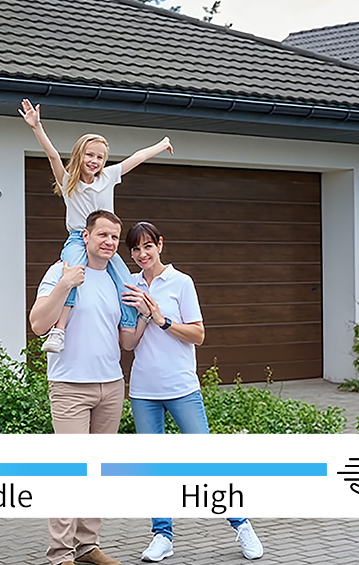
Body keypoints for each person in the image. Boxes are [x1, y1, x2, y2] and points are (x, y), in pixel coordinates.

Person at [118, 222, 265, 562]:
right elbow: (127, 344)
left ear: (160, 245)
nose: (142, 254)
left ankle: (242, 525)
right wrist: (142, 315)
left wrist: (160, 318)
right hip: (143, 391)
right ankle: (162, 536)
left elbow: (198, 334)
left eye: (147, 247)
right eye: (135, 250)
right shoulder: (130, 285)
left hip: (182, 387)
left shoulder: (181, 283)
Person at [20, 98, 172, 353]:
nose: (95, 160)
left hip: (105, 242)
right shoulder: (69, 181)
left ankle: (127, 326)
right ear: (80, 156)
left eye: (100, 157)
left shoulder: (109, 176)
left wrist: (162, 144)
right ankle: (59, 330)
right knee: (71, 276)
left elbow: (137, 157)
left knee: (125, 280)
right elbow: (53, 154)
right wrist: (37, 127)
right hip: (79, 240)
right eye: (90, 155)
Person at [29, 210, 138, 565]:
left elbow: (126, 342)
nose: (108, 242)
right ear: (86, 236)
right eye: (102, 234)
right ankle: (61, 554)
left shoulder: (116, 281)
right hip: (70, 385)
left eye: (113, 237)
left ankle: (87, 546)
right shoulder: (61, 270)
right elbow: (38, 325)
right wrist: (64, 284)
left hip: (111, 385)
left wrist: (148, 316)